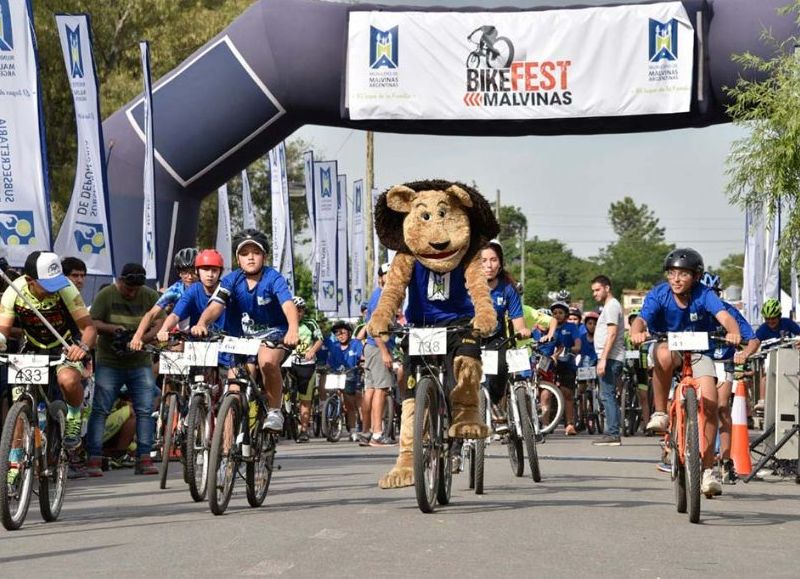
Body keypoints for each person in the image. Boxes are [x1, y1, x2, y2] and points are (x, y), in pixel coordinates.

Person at [630, 248, 741, 496]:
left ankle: (709, 471)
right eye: (672, 273)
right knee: (664, 354)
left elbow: (724, 316)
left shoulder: (704, 294)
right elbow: (641, 319)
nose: (676, 279)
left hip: (700, 351)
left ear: (696, 276)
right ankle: (660, 412)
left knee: (711, 401)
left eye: (683, 274)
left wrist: (733, 332)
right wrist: (635, 332)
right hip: (668, 346)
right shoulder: (659, 294)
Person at [0, 252, 97, 485]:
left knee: (68, 380)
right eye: (47, 285)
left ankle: (74, 414)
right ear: (30, 280)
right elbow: (3, 329)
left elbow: (89, 328)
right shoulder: (15, 290)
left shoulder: (66, 289)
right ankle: (14, 463)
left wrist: (82, 347)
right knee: (19, 408)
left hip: (64, 345)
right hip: (31, 348)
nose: (53, 289)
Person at [192, 229, 299, 432]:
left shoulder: (273, 278)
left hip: (274, 334)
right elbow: (216, 305)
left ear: (264, 256)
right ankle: (225, 455)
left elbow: (288, 305)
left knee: (266, 362)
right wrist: (202, 323)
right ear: (237, 259)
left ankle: (274, 411)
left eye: (255, 252)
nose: (250, 257)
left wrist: (293, 329)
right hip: (243, 340)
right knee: (233, 388)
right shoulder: (231, 280)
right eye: (244, 253)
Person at [86, 263, 160, 476]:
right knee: (101, 409)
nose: (132, 292)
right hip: (110, 361)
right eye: (128, 287)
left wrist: (141, 337)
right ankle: (94, 458)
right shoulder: (107, 295)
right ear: (120, 280)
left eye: (136, 288)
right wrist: (114, 330)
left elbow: (160, 322)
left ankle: (144, 457)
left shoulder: (149, 295)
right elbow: (93, 322)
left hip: (140, 362)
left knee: (145, 410)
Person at [700, 271, 760, 485]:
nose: (712, 297)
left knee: (721, 406)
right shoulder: (695, 309)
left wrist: (744, 352)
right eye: (708, 293)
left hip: (723, 364)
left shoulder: (729, 311)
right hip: (699, 362)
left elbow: (753, 339)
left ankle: (725, 461)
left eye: (715, 293)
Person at [480, 240, 531, 429]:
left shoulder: (508, 288)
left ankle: (495, 405)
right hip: (471, 337)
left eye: (493, 260)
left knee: (500, 367)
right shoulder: (467, 285)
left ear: (500, 263)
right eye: (483, 260)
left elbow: (518, 319)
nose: (488, 265)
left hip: (496, 339)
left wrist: (523, 330)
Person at [359, 263, 397, 447]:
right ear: (380, 277)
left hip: (371, 347)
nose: (390, 277)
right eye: (386, 274)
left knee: (371, 391)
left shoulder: (379, 295)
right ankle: (377, 434)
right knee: (380, 390)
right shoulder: (381, 296)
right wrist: (384, 352)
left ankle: (367, 432)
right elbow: (375, 327)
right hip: (377, 346)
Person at [130, 248, 198, 350]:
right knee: (173, 353)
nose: (190, 276)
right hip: (184, 335)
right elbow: (151, 314)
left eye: (194, 272)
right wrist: (137, 336)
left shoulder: (206, 286)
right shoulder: (175, 290)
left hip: (209, 333)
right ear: (179, 273)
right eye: (185, 272)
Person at [156, 249, 226, 341]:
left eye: (214, 270)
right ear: (197, 271)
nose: (210, 274)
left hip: (226, 342)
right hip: (197, 343)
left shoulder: (226, 288)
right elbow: (175, 315)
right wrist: (163, 330)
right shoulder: (193, 290)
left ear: (220, 272)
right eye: (205, 270)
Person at [590, 275, 626, 446]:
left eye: (597, 290)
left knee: (607, 395)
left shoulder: (612, 306)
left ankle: (612, 433)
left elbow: (611, 334)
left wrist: (603, 359)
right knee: (607, 394)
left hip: (611, 358)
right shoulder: (609, 306)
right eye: (593, 291)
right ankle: (611, 431)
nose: (594, 294)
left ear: (607, 288)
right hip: (609, 357)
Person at [753, 298, 800, 411]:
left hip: (788, 355)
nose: (770, 322)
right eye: (767, 319)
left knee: (795, 373)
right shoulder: (763, 329)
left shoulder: (787, 323)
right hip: (770, 356)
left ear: (779, 316)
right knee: (765, 374)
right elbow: (755, 342)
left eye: (773, 318)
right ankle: (762, 401)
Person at [289, 296, 323, 443]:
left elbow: (320, 339)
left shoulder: (310, 323)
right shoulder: (286, 323)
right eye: (296, 310)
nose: (298, 313)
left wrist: (312, 351)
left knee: (305, 399)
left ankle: (303, 430)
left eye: (301, 310)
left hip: (306, 365)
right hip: (289, 364)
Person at [547, 301, 582, 435]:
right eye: (554, 313)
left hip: (567, 364)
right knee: (547, 393)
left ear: (566, 315)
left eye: (560, 313)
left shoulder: (572, 327)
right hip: (550, 364)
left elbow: (578, 345)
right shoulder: (549, 327)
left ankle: (569, 424)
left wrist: (568, 350)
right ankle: (547, 422)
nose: (557, 315)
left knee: (567, 393)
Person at [326, 320, 364, 440]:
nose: (340, 335)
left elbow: (361, 357)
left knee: (350, 403)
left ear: (349, 333)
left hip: (351, 376)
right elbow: (329, 362)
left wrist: (362, 362)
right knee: (332, 396)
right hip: (336, 376)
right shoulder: (334, 347)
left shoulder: (356, 344)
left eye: (342, 332)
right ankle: (329, 421)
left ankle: (354, 430)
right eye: (337, 333)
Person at [623, 308, 652, 434]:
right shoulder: (625, 336)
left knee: (644, 397)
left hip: (642, 367)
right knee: (621, 386)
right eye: (632, 320)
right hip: (627, 367)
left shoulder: (648, 336)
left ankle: (647, 425)